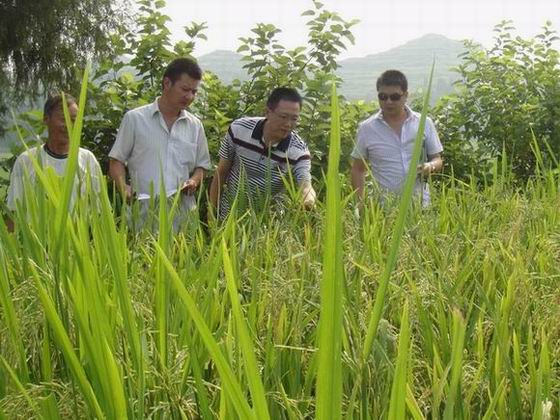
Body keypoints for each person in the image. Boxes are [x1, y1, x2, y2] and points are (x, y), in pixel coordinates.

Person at [108, 57, 211, 231]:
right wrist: (123, 187)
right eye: (185, 89)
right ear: (167, 83)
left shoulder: (195, 126)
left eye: (194, 92)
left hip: (182, 219)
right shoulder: (135, 119)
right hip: (141, 218)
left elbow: (202, 166)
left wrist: (193, 181)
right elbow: (116, 160)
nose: (189, 96)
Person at [209, 87, 316, 219]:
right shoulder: (239, 130)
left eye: (294, 119)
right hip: (229, 216)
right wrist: (211, 211)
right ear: (267, 112)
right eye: (283, 117)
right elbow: (221, 172)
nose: (288, 124)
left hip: (268, 223)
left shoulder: (298, 151)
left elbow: (305, 184)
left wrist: (308, 199)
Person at [5, 93, 102, 232]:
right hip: (36, 242)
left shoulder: (87, 159)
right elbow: (14, 212)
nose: (69, 125)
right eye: (63, 119)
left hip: (77, 242)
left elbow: (97, 213)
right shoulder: (27, 160)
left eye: (74, 120)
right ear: (46, 119)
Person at [351, 70, 443, 207]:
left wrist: (430, 166)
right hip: (383, 208)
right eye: (383, 97)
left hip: (420, 205)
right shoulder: (366, 128)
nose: (388, 102)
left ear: (405, 95)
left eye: (394, 97)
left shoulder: (424, 123)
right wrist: (360, 203)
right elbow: (358, 168)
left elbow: (437, 159)